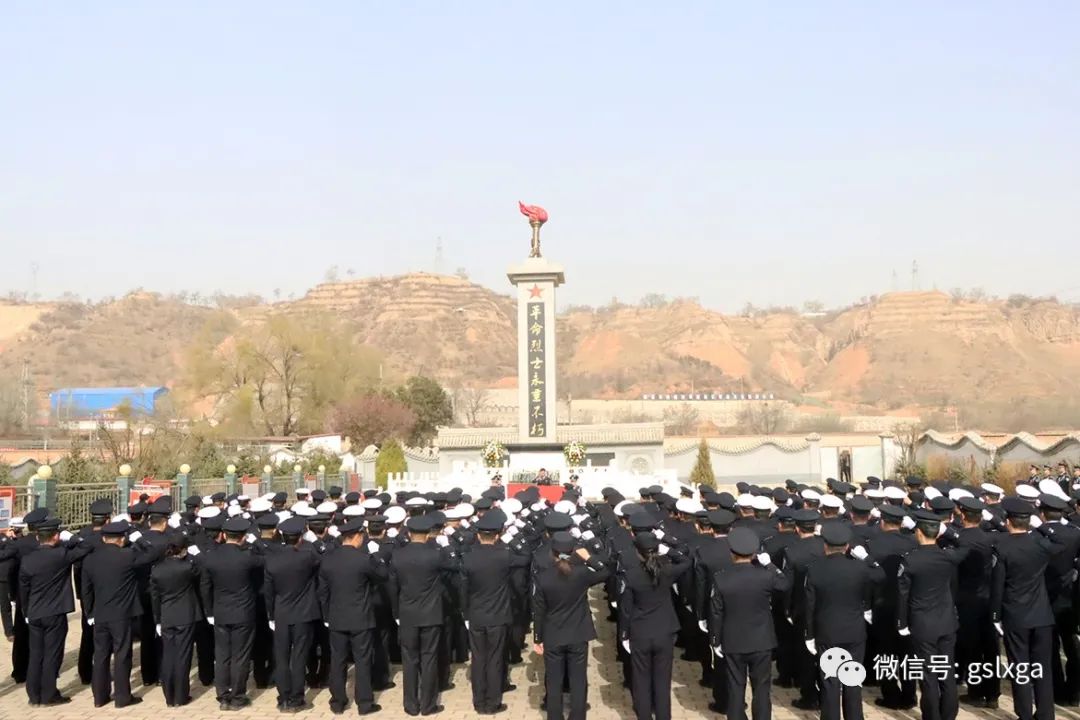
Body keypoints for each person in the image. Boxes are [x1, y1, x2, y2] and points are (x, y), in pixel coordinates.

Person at [80, 519, 166, 708]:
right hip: (122, 614)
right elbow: (152, 553)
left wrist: (90, 612)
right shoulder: (128, 556)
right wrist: (140, 540)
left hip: (100, 614)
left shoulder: (90, 559)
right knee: (122, 655)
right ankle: (122, 697)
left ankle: (100, 697)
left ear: (104, 539)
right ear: (121, 539)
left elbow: (86, 589)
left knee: (101, 656)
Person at [991, 497, 1063, 720]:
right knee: (1043, 669)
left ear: (1008, 520)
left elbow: (997, 585)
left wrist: (995, 615)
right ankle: (1045, 714)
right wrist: (1043, 527)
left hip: (1015, 616)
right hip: (1041, 615)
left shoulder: (1002, 547)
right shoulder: (1039, 544)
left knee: (1020, 668)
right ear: (1028, 521)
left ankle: (1024, 713)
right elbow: (1062, 542)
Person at [804, 522, 885, 720]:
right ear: (848, 546)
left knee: (830, 683)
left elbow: (810, 605)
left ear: (825, 545)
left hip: (827, 631)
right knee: (852, 681)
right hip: (854, 631)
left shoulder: (814, 569)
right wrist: (867, 558)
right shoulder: (859, 568)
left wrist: (809, 634)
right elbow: (881, 575)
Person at [709, 526, 791, 720]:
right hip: (762, 641)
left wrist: (715, 640)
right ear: (754, 553)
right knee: (762, 690)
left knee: (736, 689)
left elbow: (716, 613)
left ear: (731, 553)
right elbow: (785, 584)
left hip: (733, 640)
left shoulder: (721, 578)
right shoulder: (766, 575)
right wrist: (770, 565)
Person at [11, 516, 93, 706]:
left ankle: (33, 695)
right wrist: (72, 538)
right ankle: (49, 694)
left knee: (36, 654)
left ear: (38, 537)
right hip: (55, 612)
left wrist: (26, 612)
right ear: (56, 536)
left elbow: (23, 590)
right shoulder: (61, 555)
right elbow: (85, 547)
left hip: (34, 613)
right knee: (52, 654)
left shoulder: (28, 560)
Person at [897, 510, 969, 720]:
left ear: (918, 533)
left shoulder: (910, 560)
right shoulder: (948, 556)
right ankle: (949, 715)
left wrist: (902, 622)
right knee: (946, 672)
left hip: (922, 624)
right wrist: (950, 532)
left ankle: (931, 716)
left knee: (928, 675)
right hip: (947, 621)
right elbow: (966, 545)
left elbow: (903, 594)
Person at [532, 532, 610, 720]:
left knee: (553, 681)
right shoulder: (581, 573)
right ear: (573, 551)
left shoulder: (543, 577)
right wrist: (589, 558)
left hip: (553, 634)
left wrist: (538, 638)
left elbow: (539, 610)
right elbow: (605, 572)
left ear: (553, 553)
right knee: (578, 680)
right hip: (578, 633)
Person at [460, 509, 530, 715]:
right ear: (498, 534)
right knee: (495, 659)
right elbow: (526, 559)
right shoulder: (505, 555)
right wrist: (514, 540)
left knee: (478, 659)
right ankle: (493, 702)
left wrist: (465, 614)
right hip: (498, 615)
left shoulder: (468, 558)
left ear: (478, 535)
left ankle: (478, 701)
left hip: (476, 615)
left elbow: (463, 590)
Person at [318, 515, 389, 715]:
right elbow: (383, 576)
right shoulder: (364, 559)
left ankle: (337, 701)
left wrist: (326, 616)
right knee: (363, 660)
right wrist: (377, 556)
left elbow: (322, 592)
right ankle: (364, 703)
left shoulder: (328, 560)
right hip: (361, 617)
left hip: (336, 617)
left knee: (338, 660)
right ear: (358, 536)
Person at [618, 533, 691, 720]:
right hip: (664, 631)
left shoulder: (631, 575)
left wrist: (624, 634)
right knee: (662, 681)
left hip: (640, 632)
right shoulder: (667, 570)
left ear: (637, 552)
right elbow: (686, 561)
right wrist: (669, 548)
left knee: (641, 681)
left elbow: (625, 609)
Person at [197, 515, 265, 711]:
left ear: (224, 535)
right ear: (243, 537)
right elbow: (266, 561)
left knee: (222, 655)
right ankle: (237, 695)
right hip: (243, 612)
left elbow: (205, 586)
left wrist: (208, 610)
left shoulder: (211, 557)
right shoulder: (247, 557)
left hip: (220, 611)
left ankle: (222, 695)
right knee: (240, 656)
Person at [389, 513, 455, 716]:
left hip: (407, 613)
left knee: (409, 660)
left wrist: (396, 612)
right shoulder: (435, 554)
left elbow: (393, 587)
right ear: (428, 535)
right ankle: (428, 705)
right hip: (431, 614)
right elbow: (454, 567)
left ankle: (410, 704)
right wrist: (446, 547)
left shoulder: (398, 555)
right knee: (429, 658)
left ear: (408, 534)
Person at [264, 517, 323, 713]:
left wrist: (271, 615)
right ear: (300, 537)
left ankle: (283, 697)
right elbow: (321, 558)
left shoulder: (272, 559)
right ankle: (297, 697)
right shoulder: (306, 556)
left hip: (281, 613)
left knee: (281, 657)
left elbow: (269, 591)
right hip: (303, 613)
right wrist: (313, 541)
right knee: (299, 656)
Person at [150, 535, 203, 707]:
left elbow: (155, 597)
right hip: (186, 615)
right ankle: (181, 696)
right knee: (183, 656)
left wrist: (157, 619)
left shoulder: (157, 569)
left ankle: (169, 696)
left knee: (168, 656)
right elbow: (201, 566)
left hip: (166, 615)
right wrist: (195, 555)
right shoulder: (187, 567)